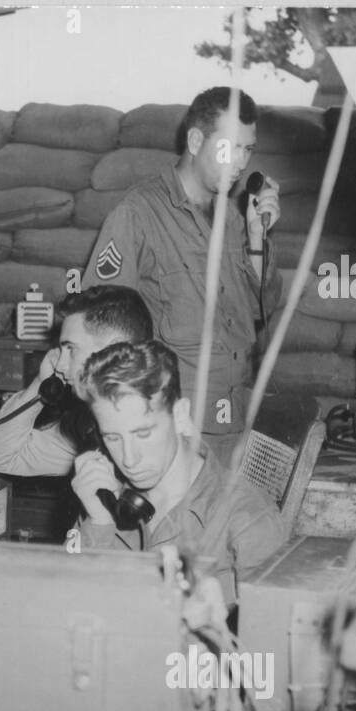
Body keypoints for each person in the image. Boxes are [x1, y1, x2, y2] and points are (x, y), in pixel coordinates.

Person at [82, 87, 283, 465]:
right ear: (195, 140)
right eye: (229, 148)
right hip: (174, 428)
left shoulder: (238, 219)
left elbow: (261, 308)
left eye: (247, 149)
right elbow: (100, 329)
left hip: (234, 420)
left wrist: (258, 237)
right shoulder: (138, 214)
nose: (240, 162)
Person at [69, 340, 288, 606]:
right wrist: (99, 522)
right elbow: (72, 604)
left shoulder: (249, 520)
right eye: (112, 438)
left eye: (143, 433)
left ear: (181, 415)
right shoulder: (104, 491)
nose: (129, 458)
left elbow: (265, 638)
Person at [0, 285, 152, 477]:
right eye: (60, 351)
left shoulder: (162, 424)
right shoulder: (86, 426)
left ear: (114, 351)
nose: (59, 366)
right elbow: (0, 458)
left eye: (71, 349)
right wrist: (40, 384)